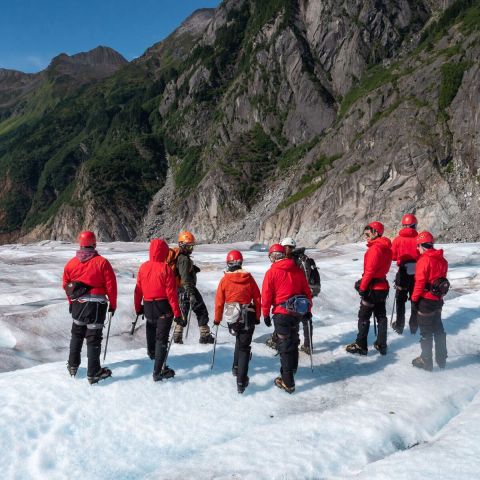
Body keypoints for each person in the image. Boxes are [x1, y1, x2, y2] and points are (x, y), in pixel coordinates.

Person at [63, 231, 117, 384]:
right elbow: (111, 286)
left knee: (77, 335)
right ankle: (93, 373)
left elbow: (66, 286)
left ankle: (73, 366)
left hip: (78, 306)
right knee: (93, 340)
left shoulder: (71, 263)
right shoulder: (102, 262)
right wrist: (113, 304)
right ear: (94, 244)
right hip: (96, 307)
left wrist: (70, 302)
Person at [262, 244, 312, 394]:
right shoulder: (296, 270)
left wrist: (265, 314)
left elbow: (266, 296)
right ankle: (291, 371)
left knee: (284, 346)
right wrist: (308, 310)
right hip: (296, 313)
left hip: (281, 314)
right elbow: (307, 292)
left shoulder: (271, 272)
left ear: (273, 256)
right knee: (293, 341)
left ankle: (288, 382)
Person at [134, 238, 185, 381]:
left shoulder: (143, 267)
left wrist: (138, 307)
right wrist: (177, 313)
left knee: (151, 327)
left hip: (148, 306)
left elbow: (138, 290)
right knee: (162, 339)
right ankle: (158, 371)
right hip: (163, 307)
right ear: (164, 252)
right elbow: (171, 295)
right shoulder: (166, 269)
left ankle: (152, 354)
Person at [214, 250, 261, 393]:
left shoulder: (224, 280)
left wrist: (217, 319)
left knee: (239, 342)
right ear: (241, 262)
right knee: (244, 348)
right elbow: (257, 298)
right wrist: (258, 316)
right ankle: (241, 381)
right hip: (248, 317)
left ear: (228, 263)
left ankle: (236, 367)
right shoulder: (249, 278)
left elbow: (219, 302)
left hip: (232, 318)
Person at [266, 237, 321, 355]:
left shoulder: (295, 260)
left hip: (299, 294)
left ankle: (280, 341)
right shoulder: (301, 258)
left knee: (284, 313)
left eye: (283, 247)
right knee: (303, 317)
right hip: (305, 292)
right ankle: (307, 344)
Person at [346, 221, 392, 356]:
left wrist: (362, 287)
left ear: (375, 233)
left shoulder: (375, 249)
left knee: (364, 316)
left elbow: (369, 272)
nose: (365, 236)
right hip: (382, 286)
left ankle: (361, 345)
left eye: (367, 233)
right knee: (381, 316)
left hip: (372, 288)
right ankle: (381, 344)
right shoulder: (387, 249)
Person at [411, 231, 449, 371]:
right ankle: (441, 358)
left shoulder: (424, 260)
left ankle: (426, 361)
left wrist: (414, 300)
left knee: (426, 332)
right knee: (438, 327)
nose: (417, 249)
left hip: (426, 301)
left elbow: (420, 283)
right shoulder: (442, 260)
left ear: (422, 245)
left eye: (418, 246)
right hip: (438, 300)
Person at [171, 231, 215, 344]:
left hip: (180, 289)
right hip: (187, 288)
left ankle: (177, 335)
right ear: (183, 245)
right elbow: (185, 278)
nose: (191, 248)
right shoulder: (184, 259)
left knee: (182, 313)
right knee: (201, 310)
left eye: (192, 246)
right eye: (189, 246)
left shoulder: (180, 257)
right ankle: (205, 335)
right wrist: (190, 294)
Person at [391, 214, 419, 334]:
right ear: (414, 225)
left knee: (400, 301)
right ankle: (414, 326)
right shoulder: (419, 239)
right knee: (415, 299)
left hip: (402, 274)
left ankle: (399, 326)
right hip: (417, 274)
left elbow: (392, 256)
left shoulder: (398, 240)